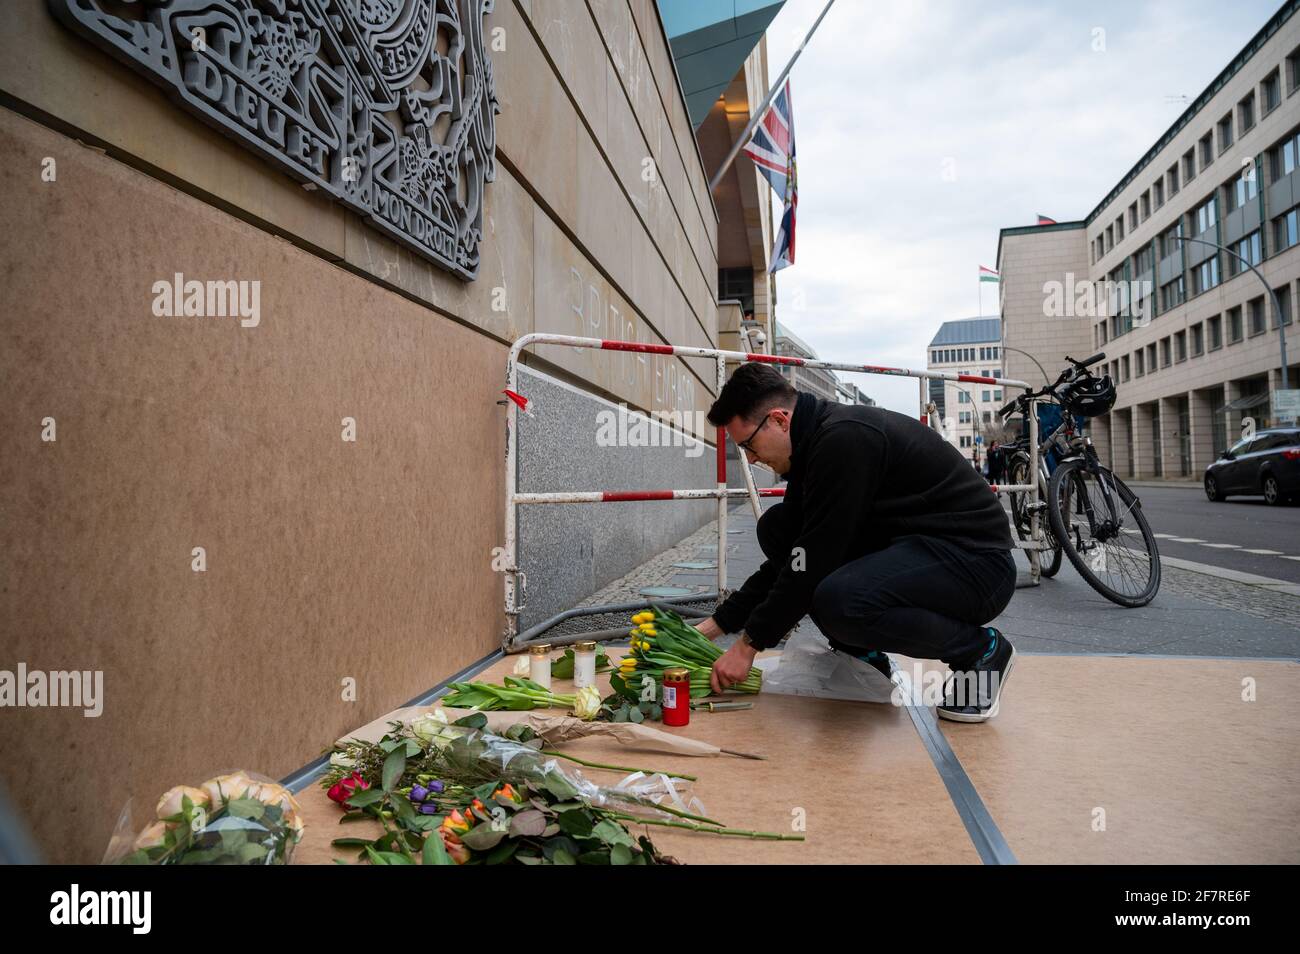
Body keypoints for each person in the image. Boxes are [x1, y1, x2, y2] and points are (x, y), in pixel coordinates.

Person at [695, 364, 1018, 722]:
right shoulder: (814, 447)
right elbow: (796, 557)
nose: (752, 459)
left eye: (749, 445)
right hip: (923, 550)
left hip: (975, 565)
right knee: (779, 528)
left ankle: (980, 652)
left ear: (779, 420)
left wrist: (748, 646)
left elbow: (812, 559)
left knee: (843, 601)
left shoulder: (843, 439)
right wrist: (718, 625)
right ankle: (863, 656)